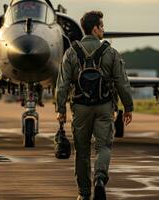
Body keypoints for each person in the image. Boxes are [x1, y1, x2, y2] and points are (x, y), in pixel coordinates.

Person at [55, 11, 134, 200]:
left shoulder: (71, 53)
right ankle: (99, 178)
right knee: (103, 147)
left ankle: (83, 194)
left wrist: (60, 109)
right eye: (102, 26)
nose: (103, 30)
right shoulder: (111, 53)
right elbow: (122, 83)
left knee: (82, 152)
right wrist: (128, 107)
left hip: (80, 108)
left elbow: (62, 84)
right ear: (95, 28)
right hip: (104, 106)